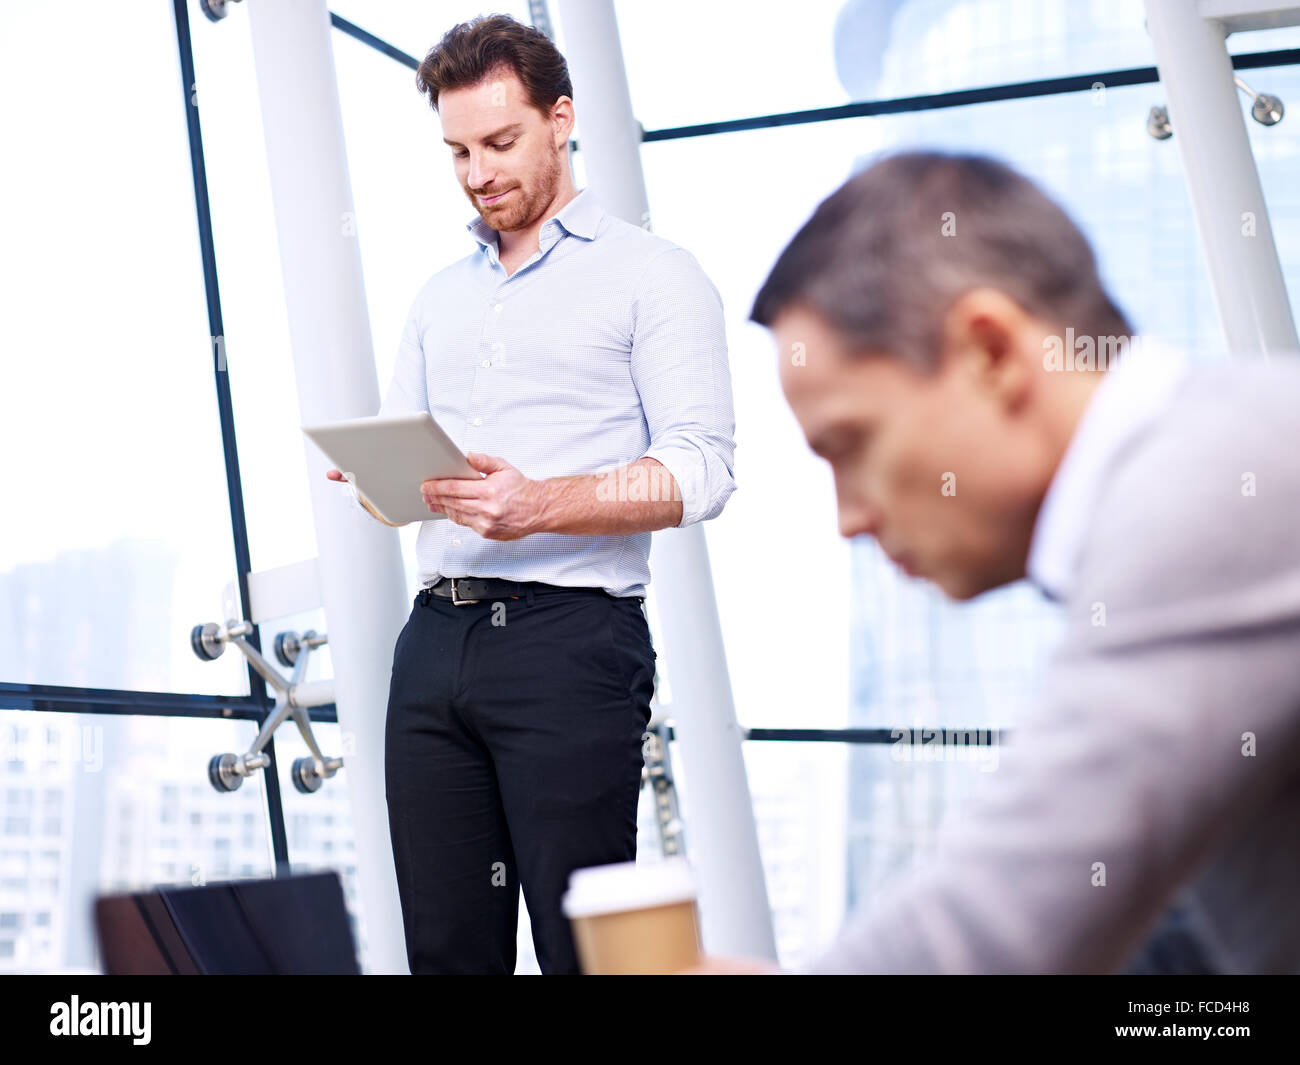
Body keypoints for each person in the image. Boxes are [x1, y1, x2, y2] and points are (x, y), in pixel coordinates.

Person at [691, 150, 1300, 974]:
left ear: (991, 352)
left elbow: (1001, 926)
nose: (849, 518)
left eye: (850, 445)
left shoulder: (1210, 493)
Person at [326, 15, 736, 974]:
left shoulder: (655, 275)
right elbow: (413, 482)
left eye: (501, 143)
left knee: (582, 953)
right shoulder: (438, 295)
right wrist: (386, 483)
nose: (478, 172)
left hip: (570, 646)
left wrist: (538, 504)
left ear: (562, 119)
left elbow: (702, 469)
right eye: (459, 150)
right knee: (445, 950)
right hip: (433, 644)